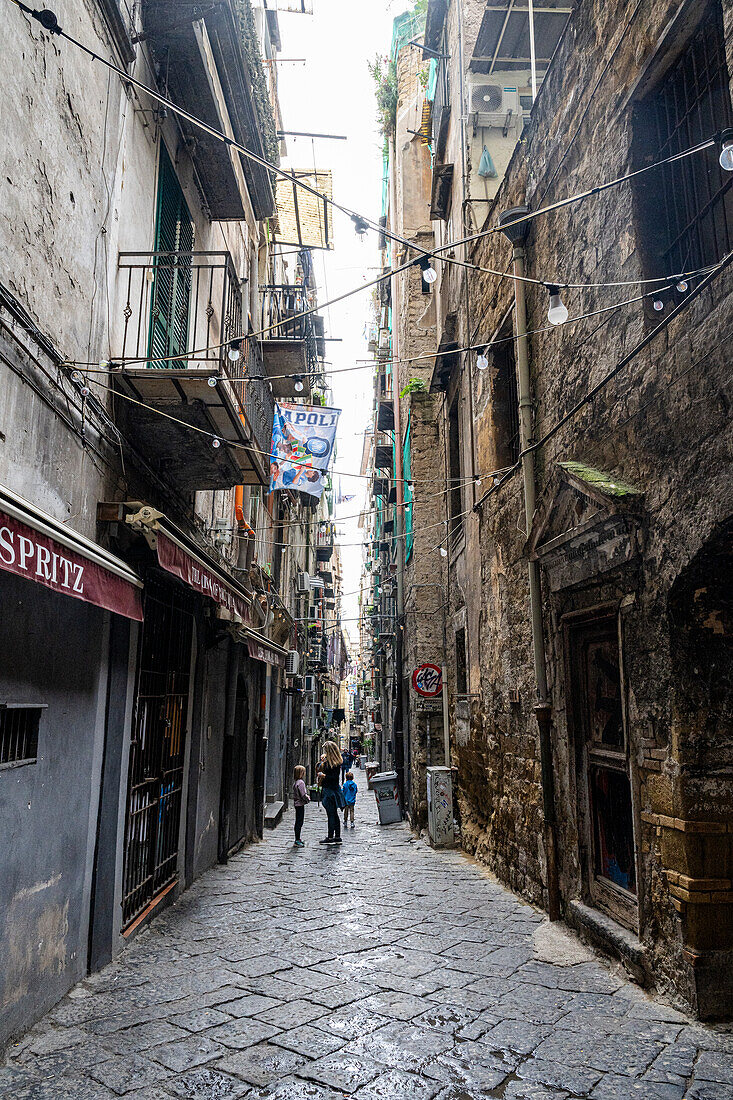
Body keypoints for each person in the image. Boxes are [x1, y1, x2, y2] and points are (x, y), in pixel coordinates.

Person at [317, 740, 343, 844]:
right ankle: (337, 836)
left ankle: (330, 837)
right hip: (334, 790)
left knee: (331, 814)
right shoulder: (336, 763)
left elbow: (333, 778)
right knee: (334, 814)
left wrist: (323, 776)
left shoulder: (331, 764)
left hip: (329, 791)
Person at [292, 765, 310, 848]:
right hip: (300, 804)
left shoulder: (296, 782)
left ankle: (297, 838)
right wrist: (308, 799)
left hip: (296, 804)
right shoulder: (301, 783)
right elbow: (303, 794)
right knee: (299, 822)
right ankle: (297, 839)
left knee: (298, 821)